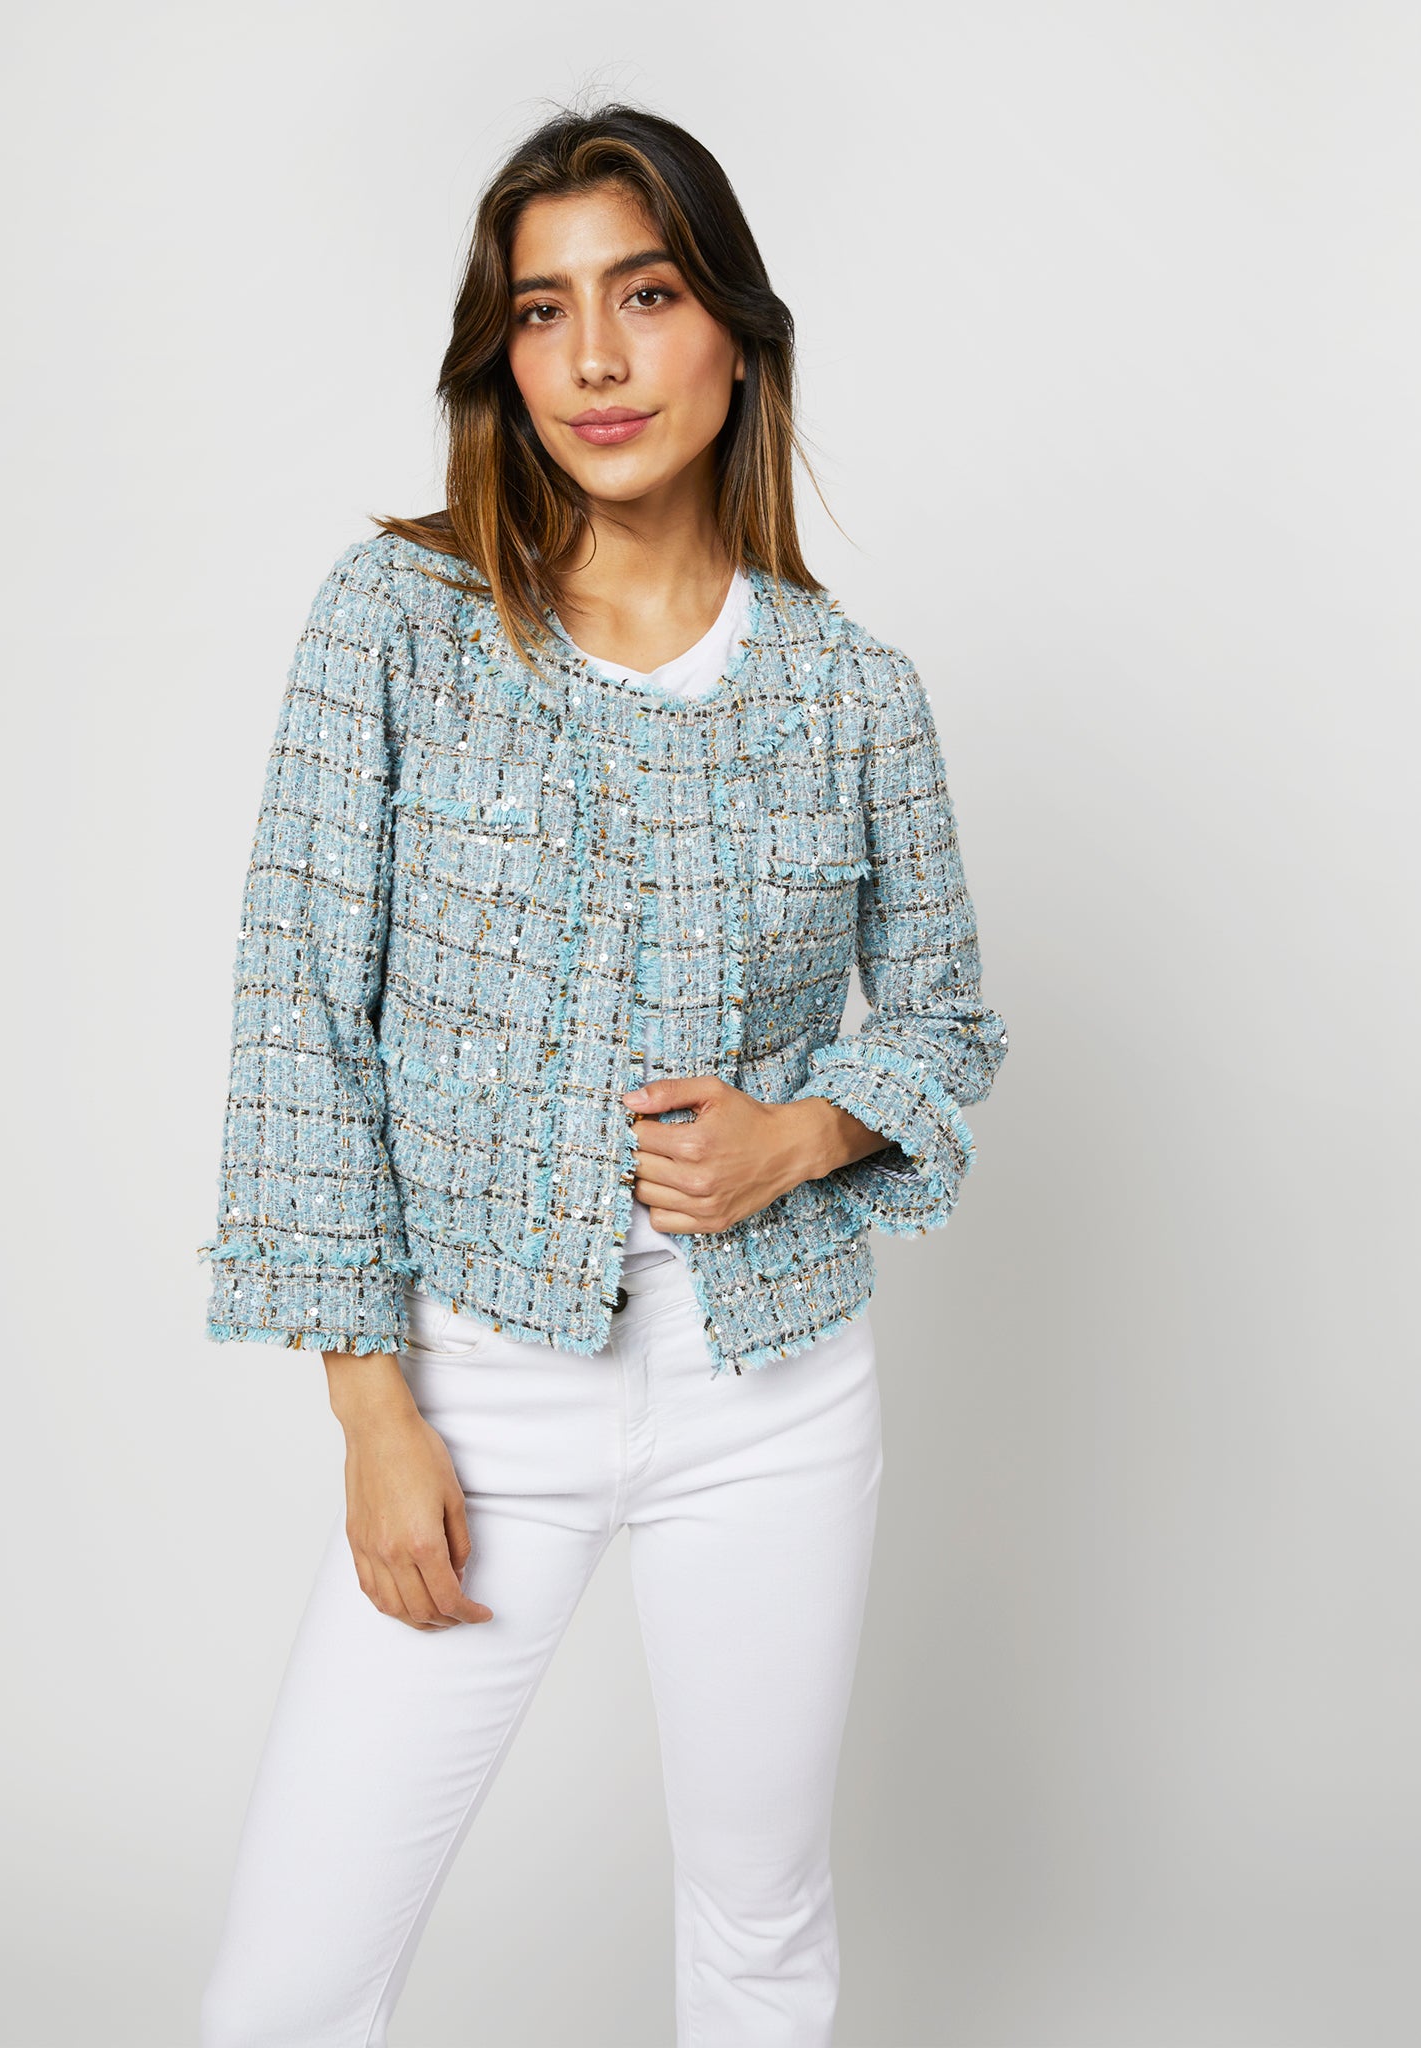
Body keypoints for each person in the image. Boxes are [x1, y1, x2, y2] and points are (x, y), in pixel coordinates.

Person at [196, 100, 1007, 2048]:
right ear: (503, 360)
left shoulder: (853, 691)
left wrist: (800, 1133)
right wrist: (374, 1412)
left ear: (734, 332)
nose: (595, 360)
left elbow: (947, 1019)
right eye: (543, 311)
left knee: (759, 1924)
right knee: (293, 1981)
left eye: (643, 296)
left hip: (774, 1392)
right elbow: (299, 1015)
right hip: (481, 1386)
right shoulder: (398, 626)